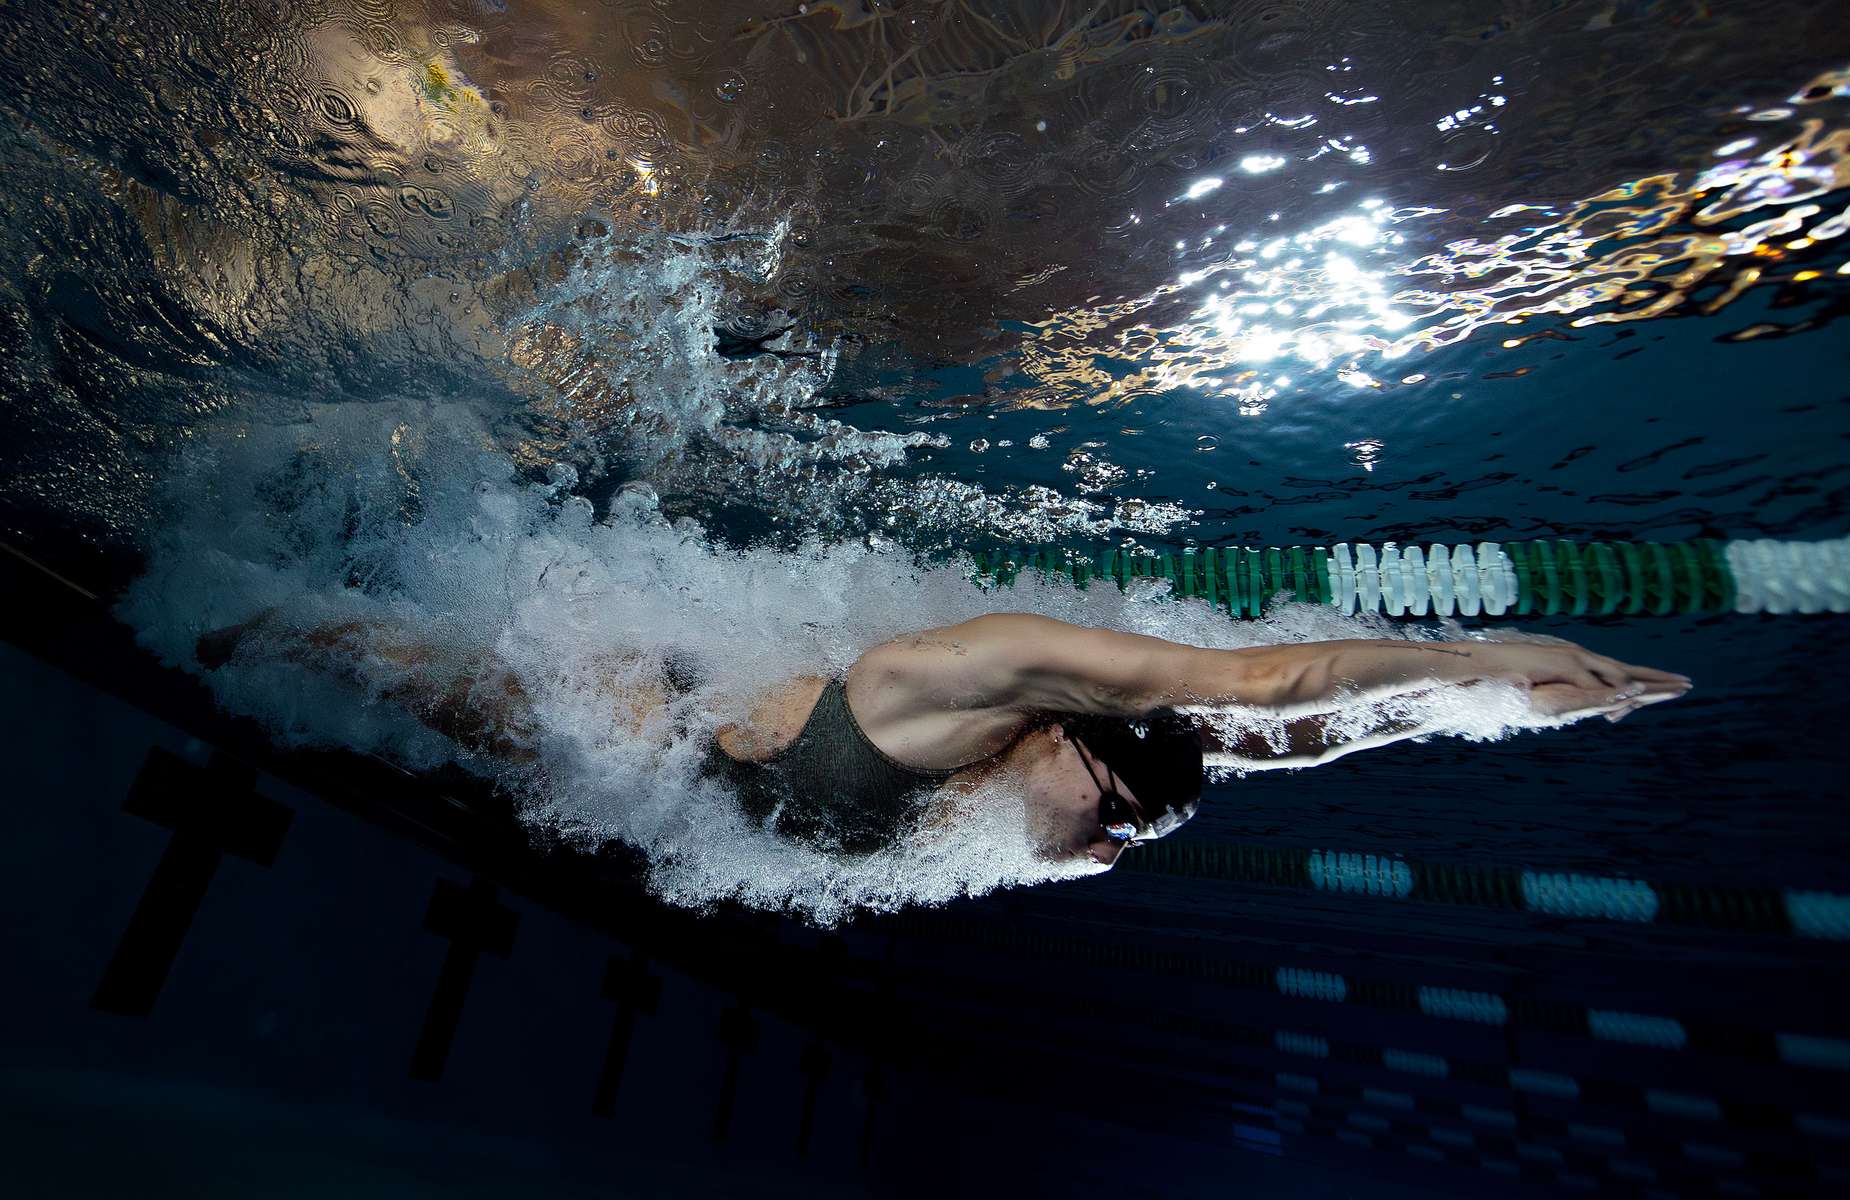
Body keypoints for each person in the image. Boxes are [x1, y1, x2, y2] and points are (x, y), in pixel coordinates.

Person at [197, 612, 1691, 867]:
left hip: (688, 799)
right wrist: (1478, 653)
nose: (1106, 851)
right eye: (1117, 821)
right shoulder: (956, 688)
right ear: (1079, 746)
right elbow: (1279, 677)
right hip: (611, 715)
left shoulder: (1055, 774)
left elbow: (1300, 741)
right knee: (321, 660)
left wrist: (1482, 708)